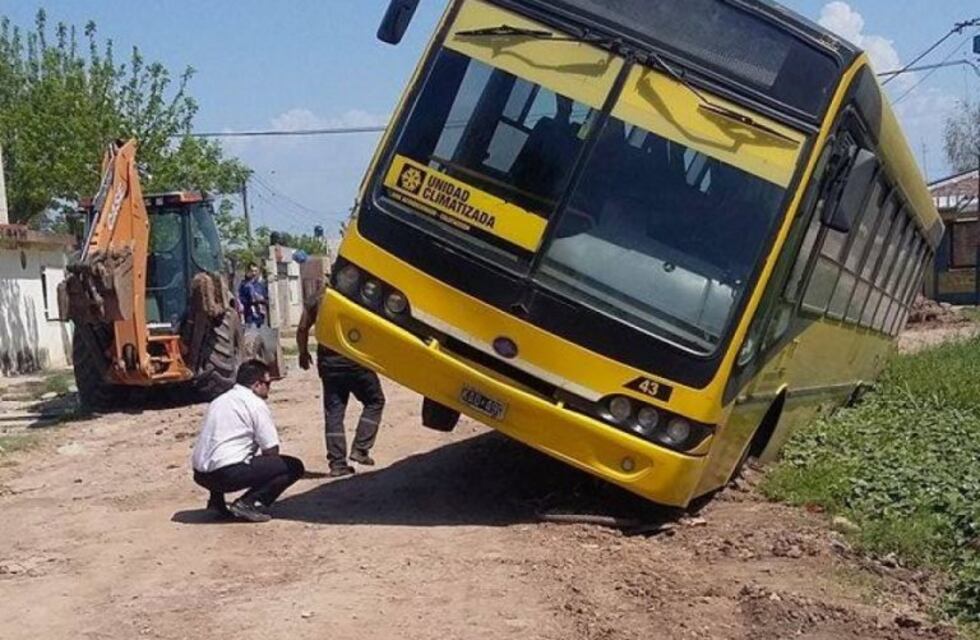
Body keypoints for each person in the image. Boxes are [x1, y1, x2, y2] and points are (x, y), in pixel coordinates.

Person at [191, 360, 305, 522]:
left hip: (201, 474)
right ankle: (248, 503)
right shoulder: (255, 404)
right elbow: (271, 450)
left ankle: (216, 502)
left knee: (222, 452)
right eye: (268, 383)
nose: (269, 388)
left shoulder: (219, 400)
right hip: (225, 475)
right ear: (257, 385)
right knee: (293, 466)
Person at [296, 288, 386, 477]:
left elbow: (303, 327)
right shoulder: (360, 294)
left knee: (334, 413)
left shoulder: (318, 296)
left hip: (329, 364)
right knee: (375, 401)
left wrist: (303, 352)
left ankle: (337, 464)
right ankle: (360, 449)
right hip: (356, 360)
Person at [238, 263, 268, 328]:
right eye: (252, 271)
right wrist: (251, 300)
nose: (254, 273)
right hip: (249, 315)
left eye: (255, 271)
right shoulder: (243, 285)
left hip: (260, 315)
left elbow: (266, 299)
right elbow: (241, 299)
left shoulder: (260, 285)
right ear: (248, 271)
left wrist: (261, 299)